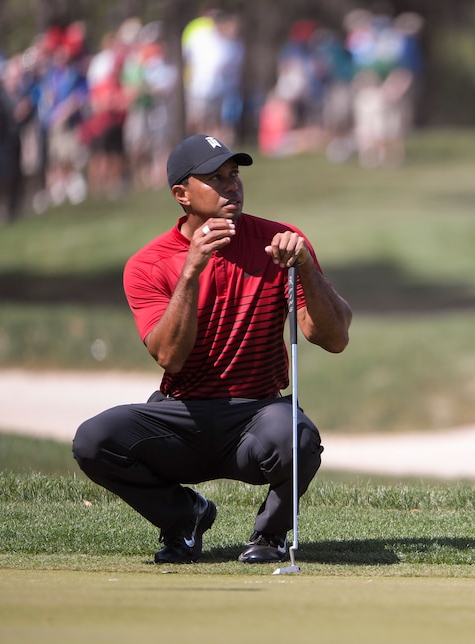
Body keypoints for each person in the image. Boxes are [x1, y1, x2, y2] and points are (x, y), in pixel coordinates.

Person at [72, 134, 352, 565]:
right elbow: (169, 356)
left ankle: (271, 534)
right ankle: (184, 517)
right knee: (94, 440)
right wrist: (191, 271)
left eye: (234, 175)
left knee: (298, 437)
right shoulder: (148, 265)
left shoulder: (280, 240)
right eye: (215, 178)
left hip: (256, 414)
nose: (231, 186)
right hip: (181, 416)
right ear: (181, 195)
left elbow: (333, 338)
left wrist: (306, 268)